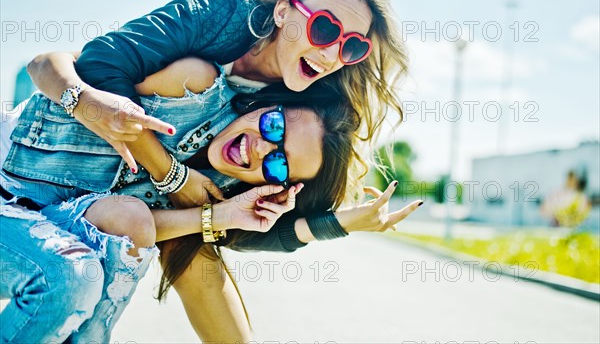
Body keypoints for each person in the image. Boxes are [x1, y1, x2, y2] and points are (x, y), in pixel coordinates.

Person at [1, 57, 366, 342]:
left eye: (279, 163)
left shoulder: (216, 194)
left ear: (279, 188)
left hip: (35, 225)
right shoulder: (194, 90)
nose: (261, 146)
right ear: (266, 106)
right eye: (275, 126)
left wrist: (222, 216)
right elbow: (54, 62)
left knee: (121, 228)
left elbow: (141, 231)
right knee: (70, 276)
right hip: (8, 173)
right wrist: (172, 175)